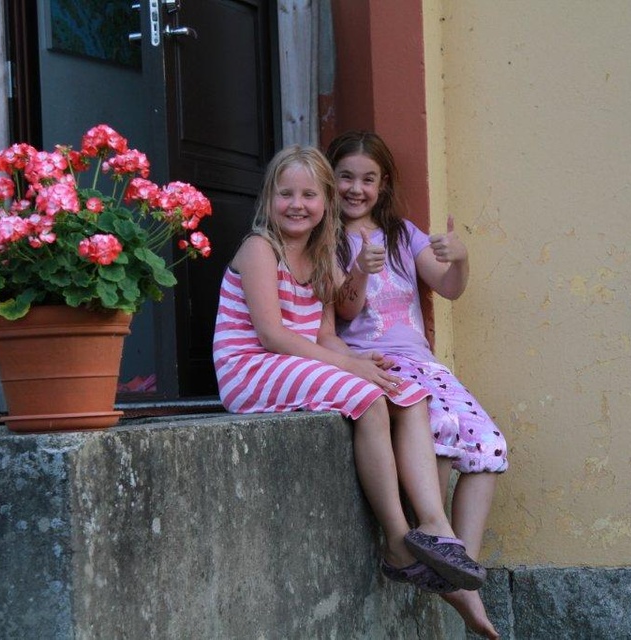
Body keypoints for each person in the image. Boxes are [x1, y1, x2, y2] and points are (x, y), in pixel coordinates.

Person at [212, 145, 487, 595]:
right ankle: (397, 543)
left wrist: (358, 361)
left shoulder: (321, 256)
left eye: (309, 195)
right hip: (249, 368)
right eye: (285, 194)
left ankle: (435, 526)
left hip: (291, 362)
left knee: (408, 394)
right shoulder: (260, 248)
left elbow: (325, 333)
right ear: (268, 199)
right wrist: (348, 367)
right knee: (371, 398)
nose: (297, 205)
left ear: (326, 203)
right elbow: (272, 336)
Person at [325, 131, 508, 639]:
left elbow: (448, 288)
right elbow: (343, 311)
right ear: (330, 179)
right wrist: (359, 270)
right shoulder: (327, 240)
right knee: (442, 424)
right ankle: (443, 550)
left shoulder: (403, 235)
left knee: (490, 446)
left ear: (383, 185)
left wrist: (461, 258)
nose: (356, 188)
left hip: (425, 364)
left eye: (368, 179)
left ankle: (459, 570)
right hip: (378, 360)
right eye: (346, 177)